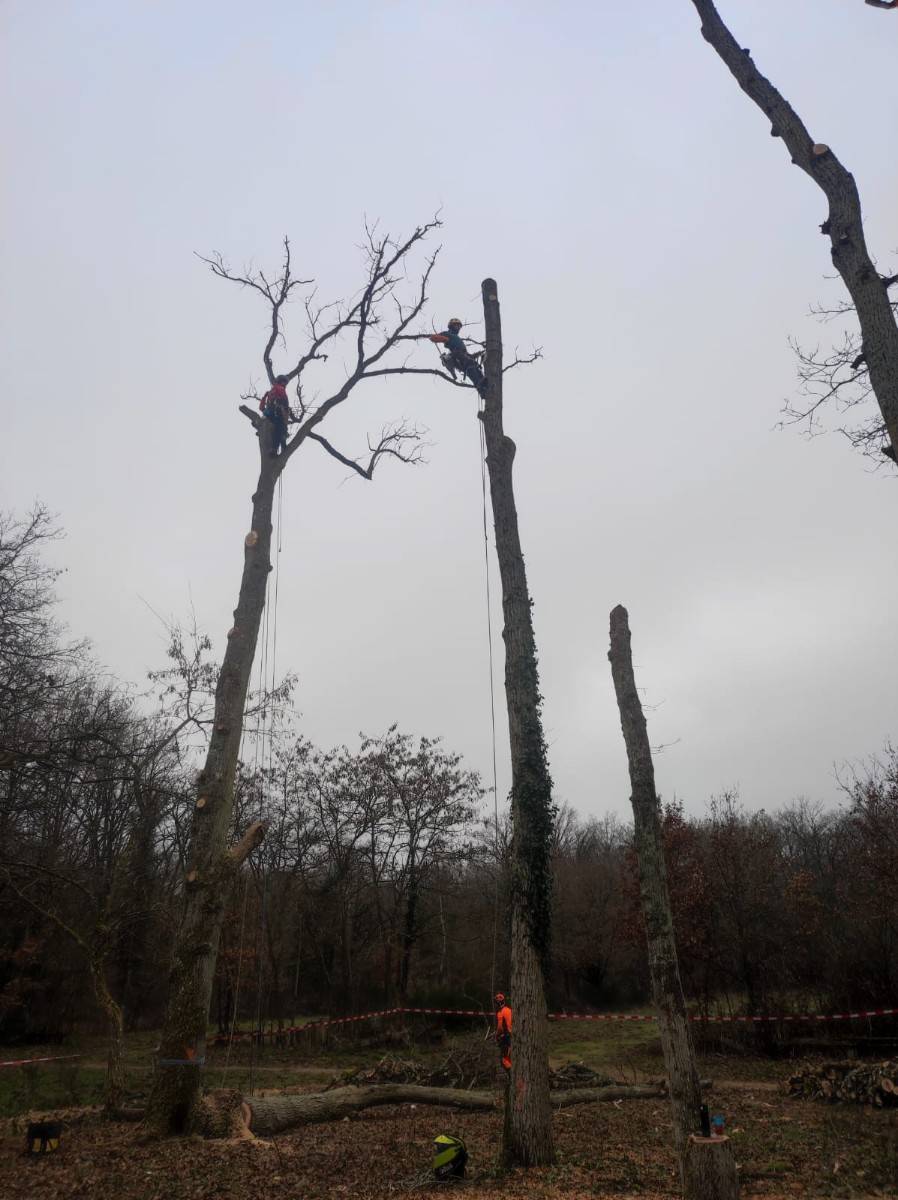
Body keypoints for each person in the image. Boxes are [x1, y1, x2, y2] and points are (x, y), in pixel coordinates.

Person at [429, 319, 488, 398]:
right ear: (451, 326)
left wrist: (477, 354)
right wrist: (444, 339)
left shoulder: (457, 338)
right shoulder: (447, 334)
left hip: (463, 355)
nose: (458, 327)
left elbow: (466, 355)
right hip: (456, 354)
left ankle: (483, 387)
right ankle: (480, 386)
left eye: (459, 326)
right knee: (470, 365)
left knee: (475, 366)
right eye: (456, 325)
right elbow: (433, 338)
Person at [259, 375, 292, 456]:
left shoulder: (271, 392)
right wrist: (286, 409)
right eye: (284, 382)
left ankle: (277, 446)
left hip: (270, 414)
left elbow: (262, 407)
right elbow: (284, 400)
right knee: (280, 428)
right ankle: (276, 448)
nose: (285, 384)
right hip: (277, 412)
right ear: (280, 381)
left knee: (277, 430)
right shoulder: (280, 388)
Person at [495, 992, 512, 1071]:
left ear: (499, 1003)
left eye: (496, 1003)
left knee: (504, 1059)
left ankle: (510, 1073)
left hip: (507, 1037)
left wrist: (497, 1035)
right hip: (513, 1035)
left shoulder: (500, 1013)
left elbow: (500, 1028)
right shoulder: (509, 1010)